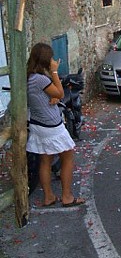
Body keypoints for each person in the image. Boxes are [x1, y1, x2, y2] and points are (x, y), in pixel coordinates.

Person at [26, 43, 85, 207]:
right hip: (51, 125)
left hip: (38, 123)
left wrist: (53, 98)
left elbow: (48, 96)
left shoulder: (30, 77)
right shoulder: (41, 78)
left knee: (45, 160)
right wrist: (54, 71)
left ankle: (49, 197)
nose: (53, 60)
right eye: (50, 58)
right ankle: (67, 197)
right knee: (67, 157)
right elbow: (59, 92)